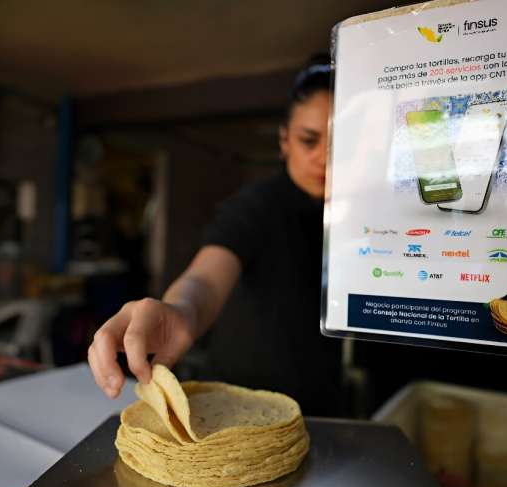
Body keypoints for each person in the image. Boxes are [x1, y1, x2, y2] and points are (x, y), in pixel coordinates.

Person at [88, 55, 344, 416]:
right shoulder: (257, 206)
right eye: (309, 140)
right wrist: (182, 311)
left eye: (338, 143)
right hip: (239, 408)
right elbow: (206, 279)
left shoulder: (355, 215)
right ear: (284, 140)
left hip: (323, 408)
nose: (323, 158)